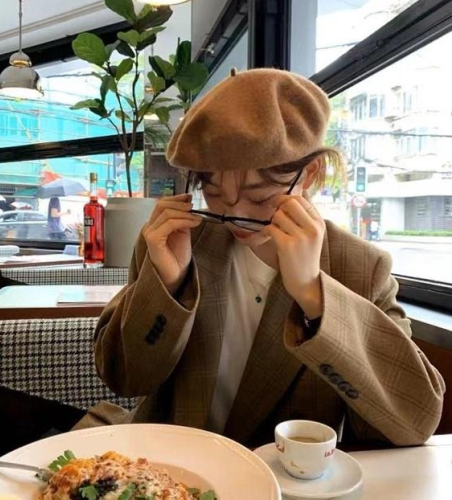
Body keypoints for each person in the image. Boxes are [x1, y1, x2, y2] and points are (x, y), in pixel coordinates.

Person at [76, 69, 445, 448]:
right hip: (169, 463)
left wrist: (314, 296)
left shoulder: (361, 267)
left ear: (310, 174)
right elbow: (124, 379)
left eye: (259, 196)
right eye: (214, 193)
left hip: (283, 474)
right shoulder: (176, 238)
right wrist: (167, 288)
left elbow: (413, 421)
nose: (236, 214)